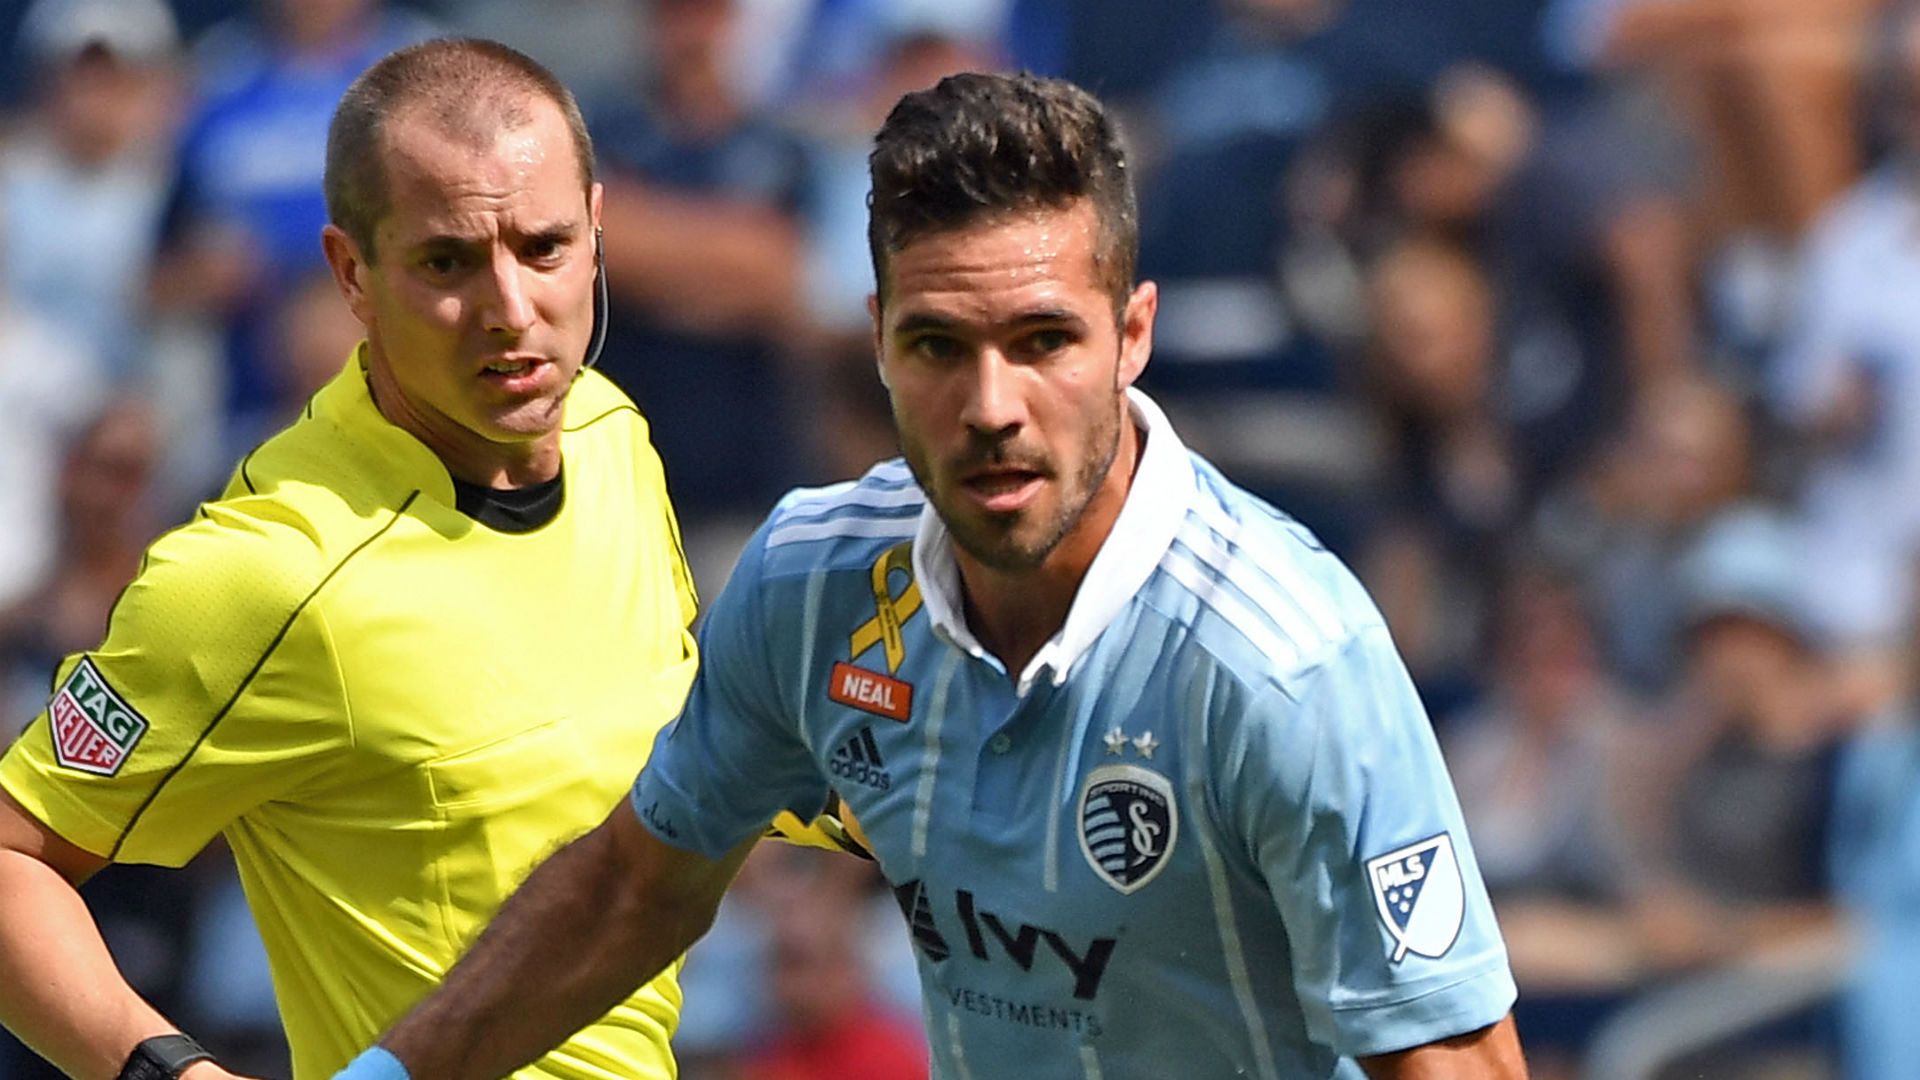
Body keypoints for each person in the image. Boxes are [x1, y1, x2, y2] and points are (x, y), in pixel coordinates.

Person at [337, 71, 1527, 1080]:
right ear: (878, 342)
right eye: (939, 348)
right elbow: (632, 891)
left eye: (1045, 341)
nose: (992, 408)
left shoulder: (1283, 662)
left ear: (1136, 334)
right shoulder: (814, 586)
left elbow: (1456, 1061)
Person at [0, 38, 711, 1080]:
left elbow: (666, 753)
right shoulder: (262, 576)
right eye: (447, 262)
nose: (512, 310)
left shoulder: (612, 437)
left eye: (545, 247)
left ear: (598, 232)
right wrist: (174, 1075)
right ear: (353, 275)